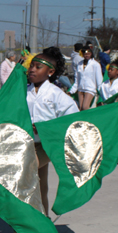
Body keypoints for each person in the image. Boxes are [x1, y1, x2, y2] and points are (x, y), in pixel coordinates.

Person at [26, 46, 78, 215]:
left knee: (25, 171)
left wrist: (45, 128)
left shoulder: (56, 94)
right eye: (31, 66)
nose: (32, 69)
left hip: (47, 146)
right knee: (41, 185)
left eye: (38, 67)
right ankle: (44, 219)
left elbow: (71, 119)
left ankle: (29, 220)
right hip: (28, 144)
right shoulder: (24, 91)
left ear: (50, 72)